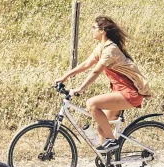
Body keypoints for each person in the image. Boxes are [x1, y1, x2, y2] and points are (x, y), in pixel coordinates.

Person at [56, 15, 148, 154]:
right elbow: (86, 64)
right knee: (102, 128)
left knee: (92, 104)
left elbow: (96, 71)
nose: (91, 30)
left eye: (93, 27)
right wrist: (64, 76)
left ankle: (112, 142)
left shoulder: (110, 49)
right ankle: (107, 163)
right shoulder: (101, 47)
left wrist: (80, 88)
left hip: (130, 93)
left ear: (102, 31)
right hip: (119, 92)